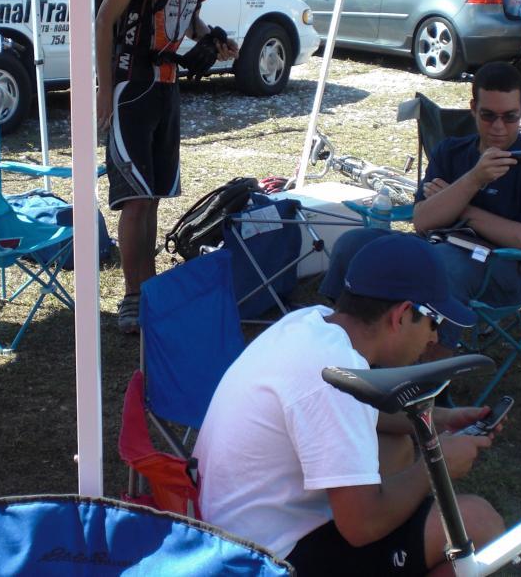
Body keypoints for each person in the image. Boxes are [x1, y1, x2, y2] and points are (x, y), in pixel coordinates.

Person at [196, 232, 504, 575]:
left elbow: (358, 413)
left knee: (395, 447)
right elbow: (362, 527)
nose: (434, 338)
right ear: (402, 315)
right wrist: (436, 466)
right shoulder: (331, 374)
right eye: (434, 322)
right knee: (479, 523)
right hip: (261, 561)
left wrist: (441, 419)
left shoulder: (314, 323)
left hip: (231, 527)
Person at [95, 0, 239, 333]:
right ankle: (131, 296)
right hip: (131, 85)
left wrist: (212, 39)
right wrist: (105, 89)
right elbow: (104, 22)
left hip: (167, 86)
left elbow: (187, 17)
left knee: (154, 194)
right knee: (134, 199)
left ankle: (149, 289)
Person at [411, 62, 521, 352]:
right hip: (438, 245)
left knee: (442, 265)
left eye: (510, 117)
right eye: (488, 115)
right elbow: (422, 221)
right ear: (473, 108)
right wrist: (473, 178)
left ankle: (429, 379)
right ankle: (356, 356)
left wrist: (461, 207)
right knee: (364, 245)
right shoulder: (451, 151)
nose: (498, 127)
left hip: (506, 270)